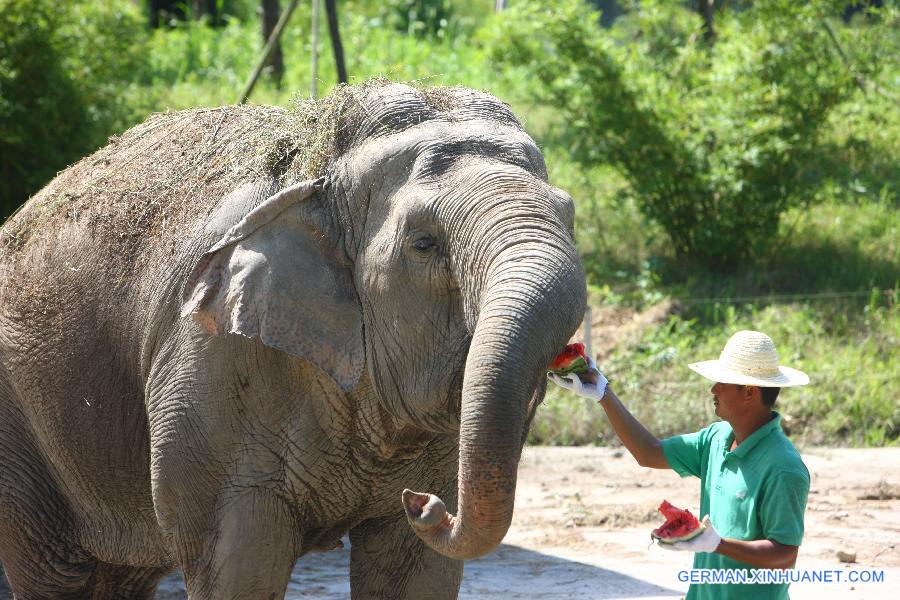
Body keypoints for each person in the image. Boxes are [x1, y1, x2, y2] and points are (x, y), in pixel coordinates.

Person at [549, 330, 810, 600]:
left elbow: (785, 555)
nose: (713, 389)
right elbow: (648, 453)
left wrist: (717, 545)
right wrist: (603, 393)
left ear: (748, 392)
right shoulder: (715, 439)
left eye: (722, 382)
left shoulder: (783, 467)